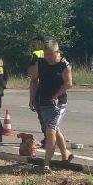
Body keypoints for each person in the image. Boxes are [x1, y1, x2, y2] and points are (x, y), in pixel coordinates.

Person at [32, 39, 73, 172]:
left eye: (51, 54)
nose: (48, 58)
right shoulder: (41, 62)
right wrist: (32, 98)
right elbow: (34, 80)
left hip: (58, 103)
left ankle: (46, 164)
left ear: (57, 52)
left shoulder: (64, 65)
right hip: (43, 101)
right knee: (54, 129)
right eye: (46, 54)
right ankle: (65, 154)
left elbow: (68, 83)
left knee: (50, 131)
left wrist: (56, 95)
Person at [26, 35, 48, 146]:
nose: (34, 45)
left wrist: (32, 99)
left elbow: (33, 76)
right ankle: (51, 138)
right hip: (55, 88)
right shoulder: (56, 53)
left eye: (35, 43)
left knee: (43, 116)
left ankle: (48, 138)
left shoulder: (37, 54)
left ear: (40, 42)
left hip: (41, 88)